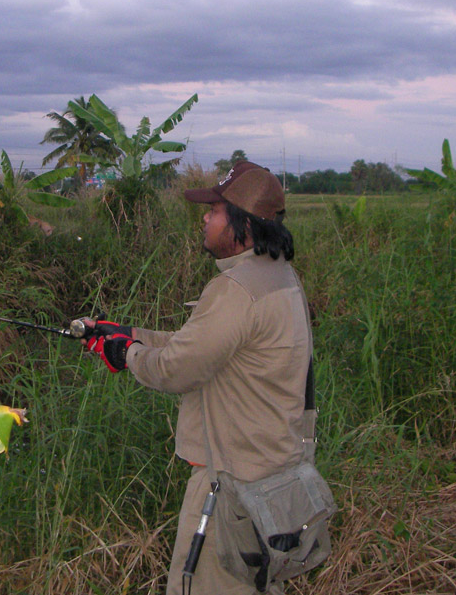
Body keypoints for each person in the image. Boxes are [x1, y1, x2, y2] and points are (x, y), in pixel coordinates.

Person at [83, 161, 316, 595]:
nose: (205, 218)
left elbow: (175, 368)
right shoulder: (279, 276)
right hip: (272, 479)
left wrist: (123, 353)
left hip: (230, 486)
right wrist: (131, 334)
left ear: (241, 225)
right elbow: (200, 345)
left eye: (214, 210)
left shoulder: (236, 289)